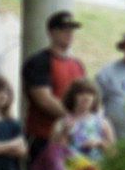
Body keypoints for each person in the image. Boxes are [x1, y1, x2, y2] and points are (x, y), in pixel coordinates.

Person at [21, 10, 87, 160]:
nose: (69, 34)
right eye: (64, 29)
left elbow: (87, 96)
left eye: (72, 30)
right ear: (51, 32)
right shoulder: (38, 62)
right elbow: (44, 100)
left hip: (73, 138)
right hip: (44, 137)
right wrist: (74, 117)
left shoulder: (78, 64)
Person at [59, 79, 115, 162]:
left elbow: (113, 152)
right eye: (81, 93)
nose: (86, 97)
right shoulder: (64, 122)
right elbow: (58, 152)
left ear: (95, 98)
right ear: (72, 97)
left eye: (90, 94)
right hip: (73, 167)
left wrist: (99, 143)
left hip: (97, 166)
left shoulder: (102, 122)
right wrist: (65, 133)